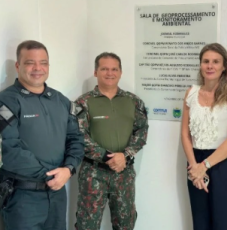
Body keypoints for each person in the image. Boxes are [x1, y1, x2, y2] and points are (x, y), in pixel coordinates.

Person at [0, 40, 84, 230]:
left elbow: (76, 139)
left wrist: (68, 169)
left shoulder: (60, 100)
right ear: (18, 65)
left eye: (43, 63)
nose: (38, 68)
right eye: (30, 62)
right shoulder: (5, 101)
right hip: (22, 197)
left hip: (56, 195)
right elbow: (9, 148)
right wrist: (51, 175)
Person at [74, 52, 148, 230]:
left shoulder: (133, 101)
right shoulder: (83, 102)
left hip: (124, 173)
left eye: (114, 69)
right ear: (95, 72)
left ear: (120, 72)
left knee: (125, 224)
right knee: (87, 225)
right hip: (93, 174)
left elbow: (141, 131)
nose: (109, 73)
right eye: (104, 69)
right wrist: (107, 156)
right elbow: (78, 135)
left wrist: (126, 155)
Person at [181, 43, 227, 230]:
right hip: (195, 162)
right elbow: (185, 134)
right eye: (206, 61)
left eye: (216, 62)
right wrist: (194, 167)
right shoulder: (191, 93)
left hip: (221, 163)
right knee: (200, 221)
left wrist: (204, 166)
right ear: (200, 65)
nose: (210, 66)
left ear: (224, 66)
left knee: (223, 222)